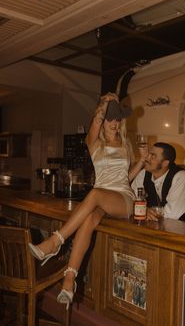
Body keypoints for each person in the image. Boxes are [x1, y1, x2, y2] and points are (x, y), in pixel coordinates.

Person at [28, 92, 144, 309]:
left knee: (95, 193)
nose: (114, 122)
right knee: (90, 218)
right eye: (110, 118)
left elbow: (124, 178)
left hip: (122, 198)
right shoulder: (94, 142)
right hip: (101, 199)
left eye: (117, 118)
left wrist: (142, 161)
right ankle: (70, 278)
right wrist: (105, 104)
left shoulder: (126, 143)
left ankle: (56, 241)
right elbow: (96, 121)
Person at [131, 142, 185, 222]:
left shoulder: (180, 177)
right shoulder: (144, 173)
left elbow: (172, 214)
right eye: (148, 154)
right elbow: (130, 196)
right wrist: (143, 210)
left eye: (153, 156)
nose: (147, 158)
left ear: (165, 163)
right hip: (163, 224)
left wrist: (144, 210)